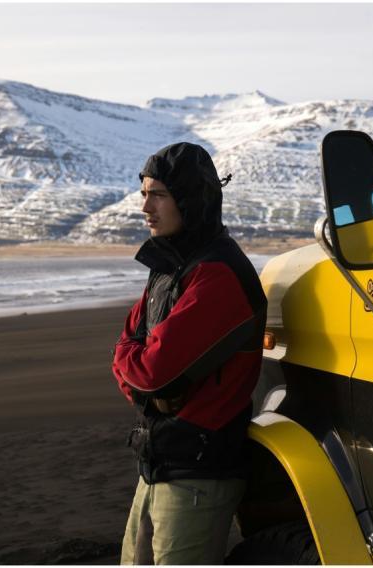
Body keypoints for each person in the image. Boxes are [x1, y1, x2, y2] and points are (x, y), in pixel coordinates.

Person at [111, 142, 267, 565]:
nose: (145, 207)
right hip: (158, 464)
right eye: (144, 193)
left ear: (190, 199)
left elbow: (152, 372)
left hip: (199, 475)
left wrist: (138, 368)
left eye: (158, 194)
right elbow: (130, 352)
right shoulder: (169, 268)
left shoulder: (217, 274)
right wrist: (137, 368)